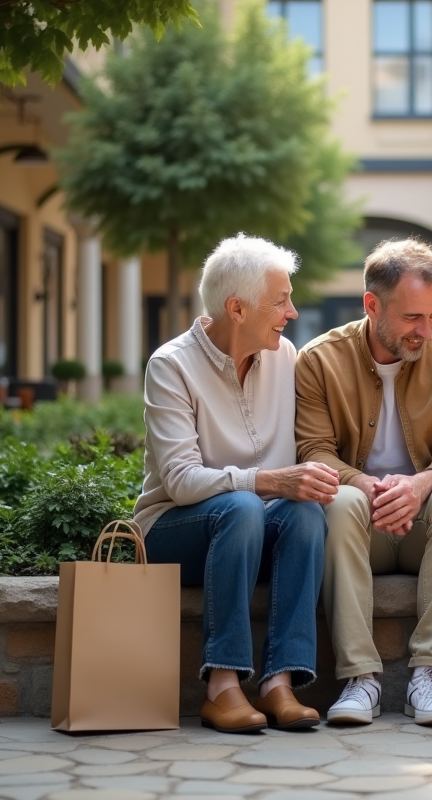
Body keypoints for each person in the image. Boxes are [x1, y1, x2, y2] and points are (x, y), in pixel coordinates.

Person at [135, 234, 336, 735]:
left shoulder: (286, 357)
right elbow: (180, 482)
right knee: (244, 505)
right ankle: (222, 688)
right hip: (173, 531)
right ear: (237, 308)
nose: (291, 312)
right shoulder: (171, 365)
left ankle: (278, 684)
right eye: (281, 300)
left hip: (252, 527)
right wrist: (265, 481)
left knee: (306, 513)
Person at [296, 238, 432, 726]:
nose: (427, 330)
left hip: (426, 527)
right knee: (337, 503)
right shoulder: (319, 360)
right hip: (361, 524)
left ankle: (430, 674)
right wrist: (370, 487)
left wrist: (420, 486)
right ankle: (361, 679)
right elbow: (312, 451)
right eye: (412, 318)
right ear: (372, 305)